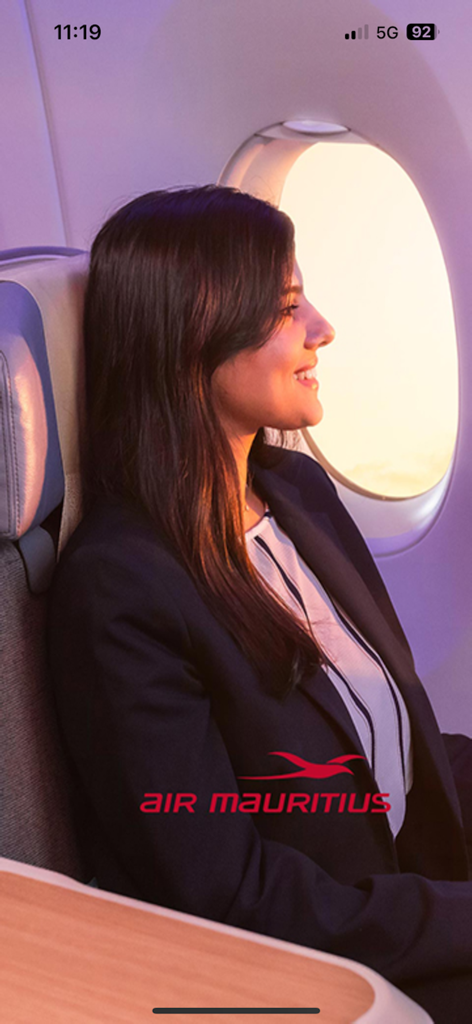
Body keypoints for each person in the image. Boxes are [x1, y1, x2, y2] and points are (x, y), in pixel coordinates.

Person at [48, 185, 472, 1022]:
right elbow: (231, 893)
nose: (321, 327)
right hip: (316, 976)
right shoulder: (121, 590)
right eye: (287, 307)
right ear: (197, 334)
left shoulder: (299, 496)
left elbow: (395, 743)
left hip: (401, 912)